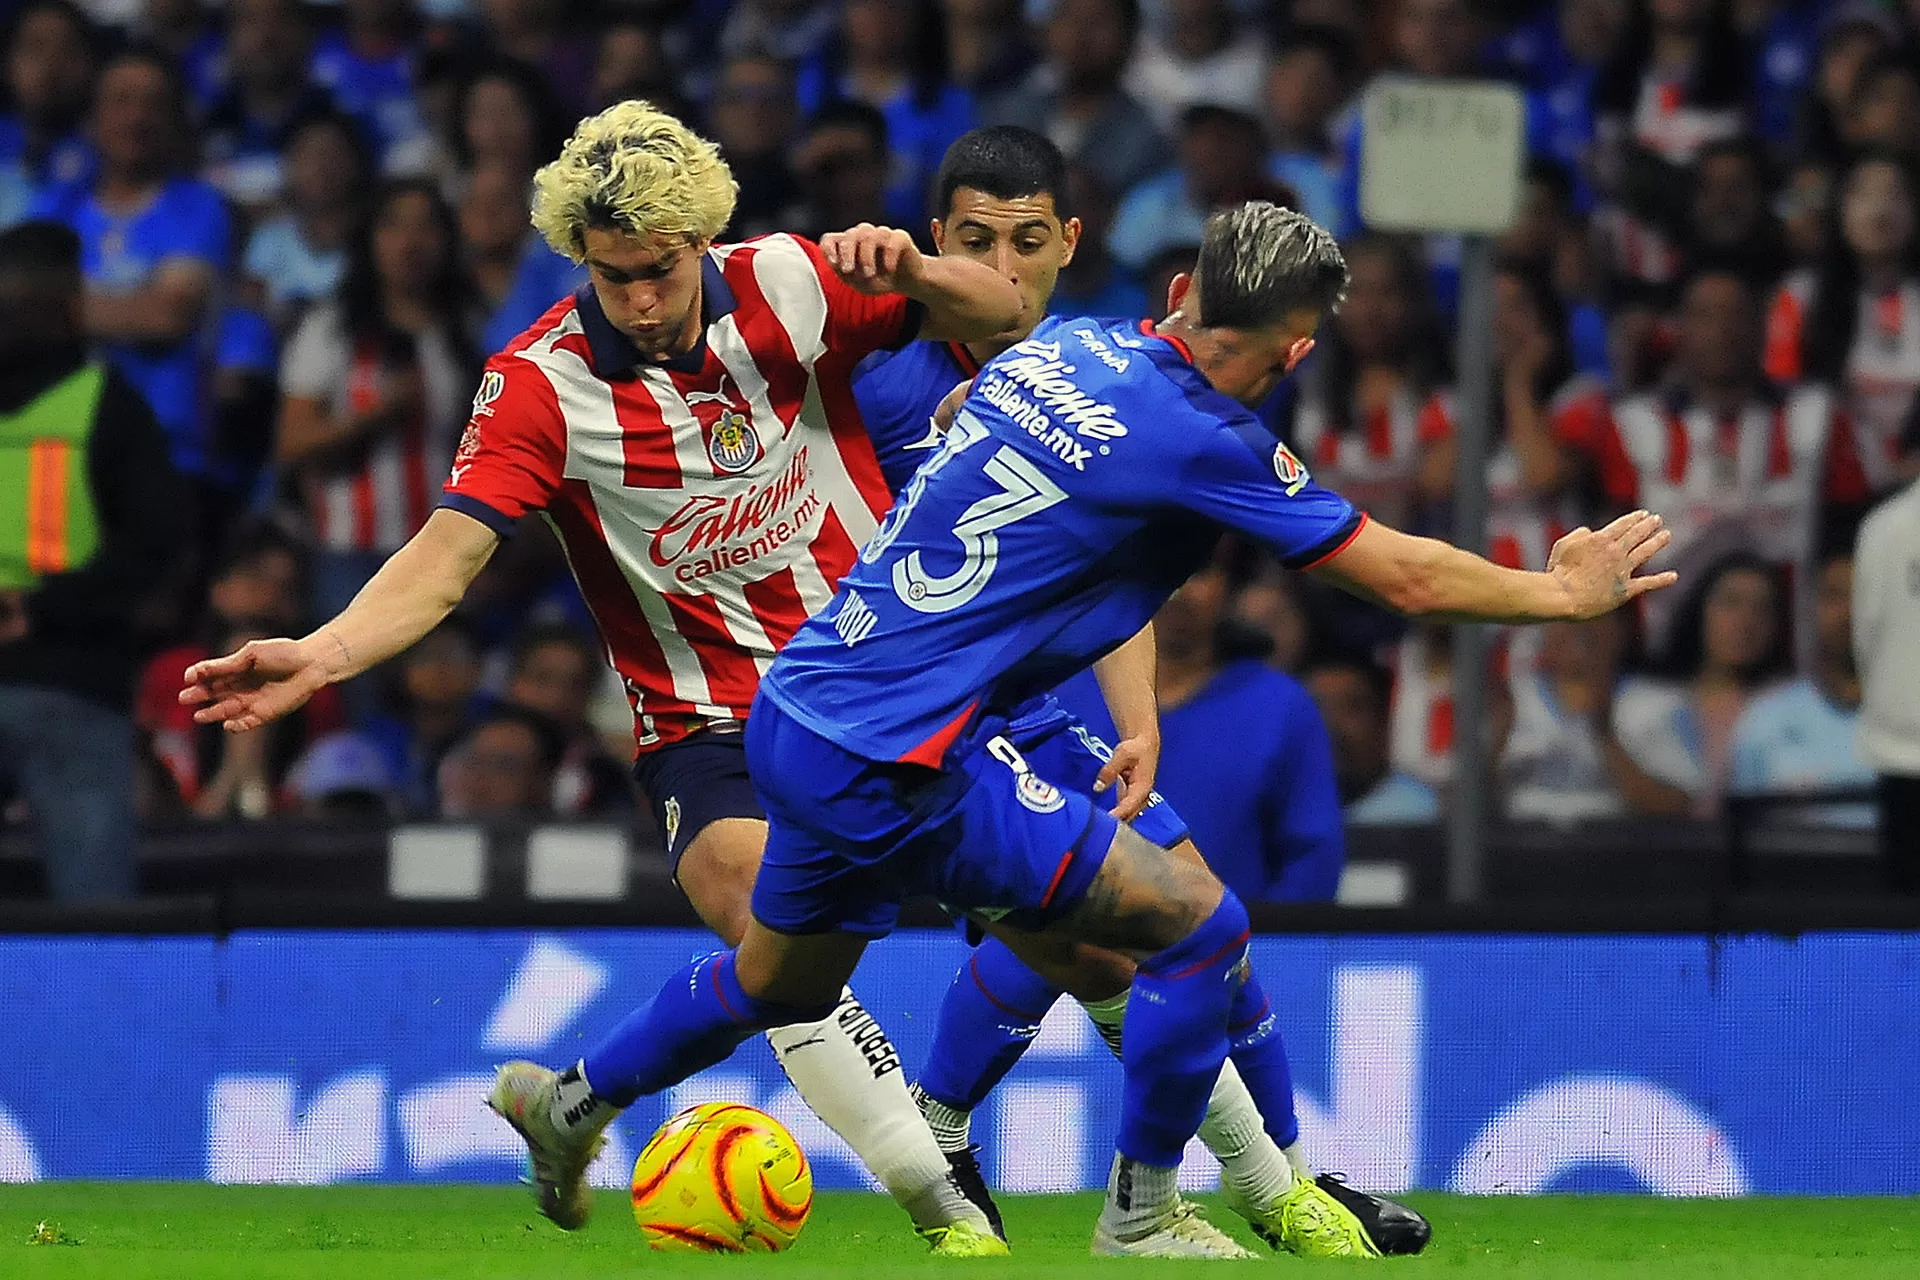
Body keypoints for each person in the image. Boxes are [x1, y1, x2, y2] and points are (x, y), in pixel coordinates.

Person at [465, 203, 1670, 1257]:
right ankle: (1145, 1213)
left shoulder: (1065, 350)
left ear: (1180, 292)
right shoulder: (1207, 439)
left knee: (781, 976)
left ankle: (575, 1097)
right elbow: (1400, 577)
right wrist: (1560, 592)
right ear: (1297, 351)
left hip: (802, 701)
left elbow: (1066, 547)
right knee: (1202, 926)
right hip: (906, 753)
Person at [181, 101, 1025, 1255]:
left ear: (702, 243)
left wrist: (923, 270)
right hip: (706, 723)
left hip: (883, 687)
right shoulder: (538, 384)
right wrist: (321, 653)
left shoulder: (790, 279)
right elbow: (445, 559)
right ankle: (949, 1213)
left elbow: (1006, 310)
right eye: (612, 272)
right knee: (773, 932)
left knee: (1083, 914)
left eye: (659, 270)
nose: (638, 297)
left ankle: (571, 1102)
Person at [852, 126, 1419, 1258]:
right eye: (974, 241)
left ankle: (1265, 1178)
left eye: (1026, 241)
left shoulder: (1083, 366)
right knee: (1138, 931)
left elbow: (1109, 567)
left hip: (1029, 704)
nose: (1002, 269)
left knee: (1188, 920)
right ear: (937, 243)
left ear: (1067, 243)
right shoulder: (876, 379)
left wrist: (1140, 716)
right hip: (915, 708)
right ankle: (1244, 1187)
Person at [0, 219, 185, 901]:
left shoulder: (109, 404)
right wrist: (45, 606)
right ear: (75, 306)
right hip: (69, 677)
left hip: (70, 679)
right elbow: (157, 542)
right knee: (95, 911)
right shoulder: (106, 405)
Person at [31, 48, 232, 531]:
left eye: (152, 103)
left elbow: (166, 316)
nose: (136, 117)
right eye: (121, 101)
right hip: (60, 449)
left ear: (174, 120)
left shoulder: (198, 208)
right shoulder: (55, 207)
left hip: (165, 452)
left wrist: (55, 307)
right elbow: (18, 314)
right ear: (94, 117)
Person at [276, 178, 479, 635]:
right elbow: (291, 442)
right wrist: (377, 415)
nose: (411, 242)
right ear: (369, 240)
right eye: (394, 226)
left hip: (440, 554)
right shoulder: (331, 328)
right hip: (348, 551)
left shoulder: (465, 330)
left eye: (426, 227)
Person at [1765, 153, 1920, 495]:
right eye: (1863, 194)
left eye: (1895, 194)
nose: (1880, 209)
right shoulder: (1801, 298)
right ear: (1839, 208)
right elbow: (1782, 402)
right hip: (1826, 485)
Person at [1729, 546, 1874, 814]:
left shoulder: (1910, 719)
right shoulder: (1763, 721)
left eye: (1864, 595)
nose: (1849, 612)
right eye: (1834, 596)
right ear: (1808, 609)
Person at [1853, 474, 1920, 890]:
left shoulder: (1885, 525)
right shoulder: (1886, 525)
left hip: (1899, 747)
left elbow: (1866, 634)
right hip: (1900, 754)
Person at [1305, 658, 1443, 826]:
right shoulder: (1281, 808)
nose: (1332, 722)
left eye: (1353, 707)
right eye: (1317, 706)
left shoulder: (1416, 811)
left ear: (1383, 724)